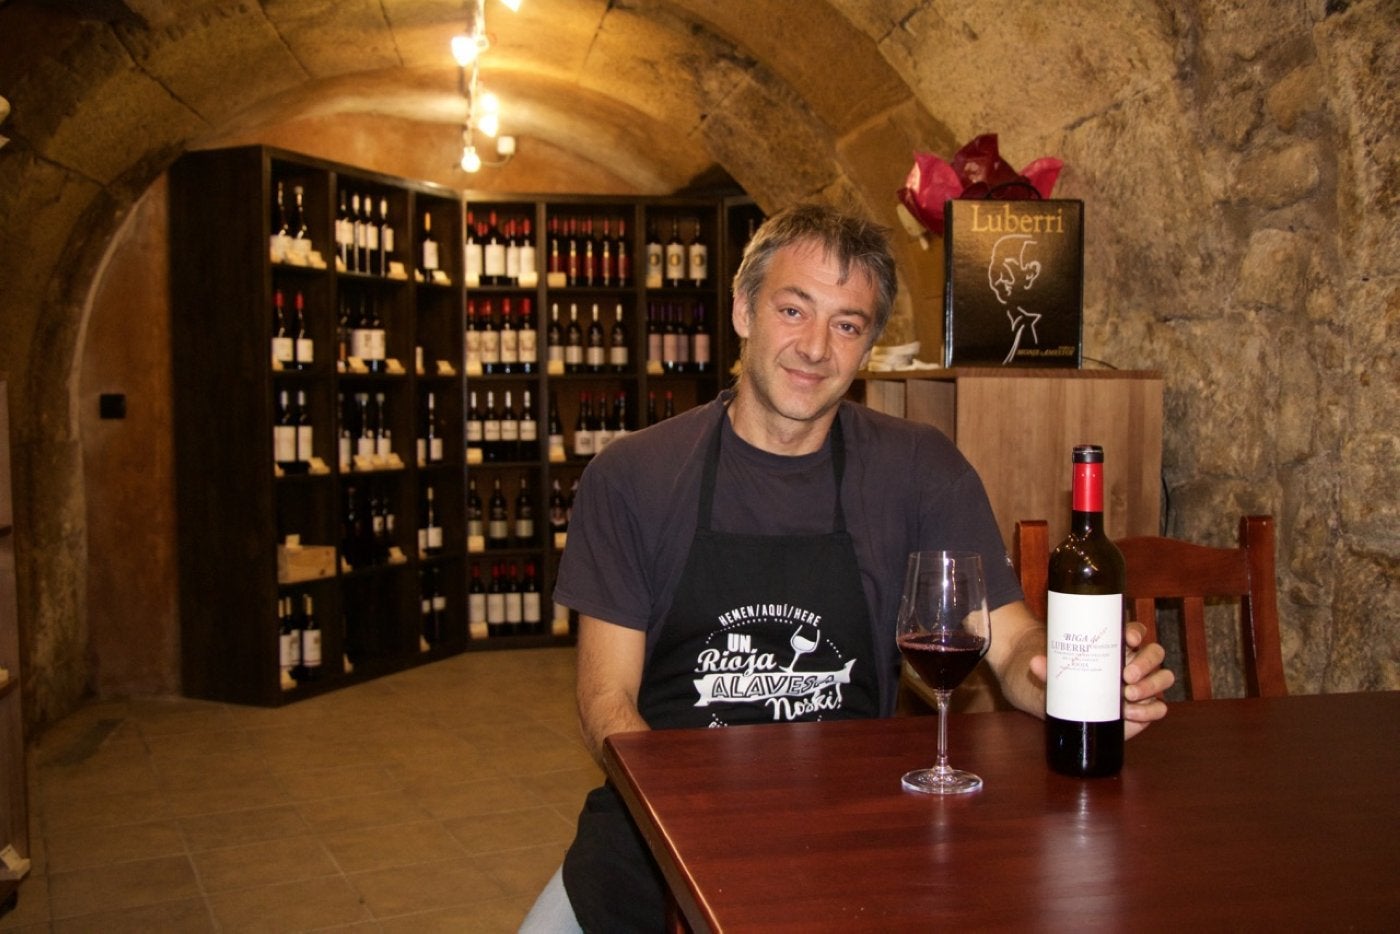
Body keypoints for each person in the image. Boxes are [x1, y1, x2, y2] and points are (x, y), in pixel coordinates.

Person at [522, 203, 1173, 933]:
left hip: (854, 826)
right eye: (794, 309)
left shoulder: (921, 469)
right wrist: (687, 828)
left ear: (868, 347)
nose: (814, 348)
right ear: (742, 310)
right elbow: (605, 702)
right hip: (661, 821)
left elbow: (1014, 643)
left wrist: (1071, 676)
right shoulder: (633, 476)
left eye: (847, 324)